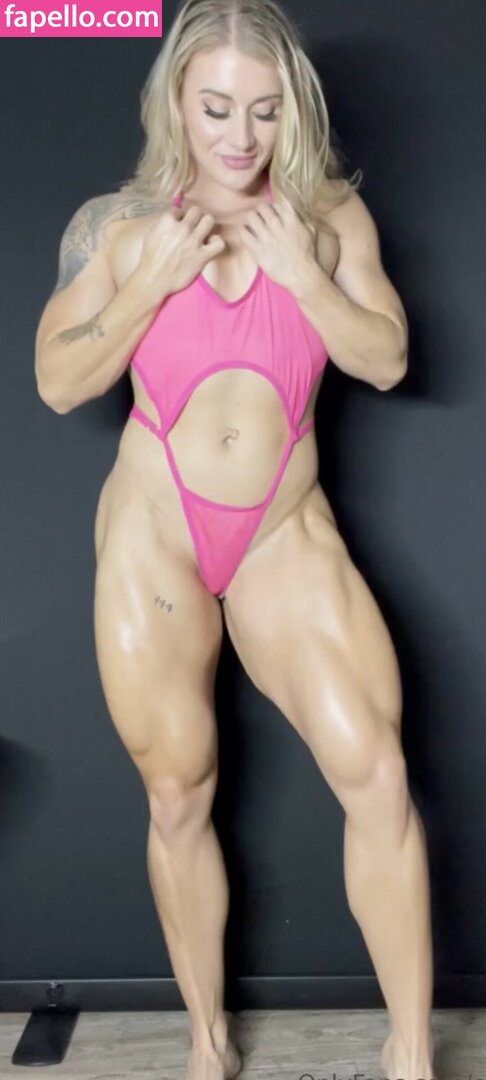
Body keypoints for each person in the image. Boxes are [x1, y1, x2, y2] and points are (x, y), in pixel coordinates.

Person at [34, 1, 435, 1078]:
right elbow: (57, 381)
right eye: (216, 110)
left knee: (379, 773)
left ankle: (410, 1057)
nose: (241, 136)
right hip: (157, 529)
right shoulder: (114, 225)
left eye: (263, 111)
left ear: (290, 109)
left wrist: (303, 276)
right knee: (179, 792)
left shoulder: (329, 217)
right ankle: (207, 1046)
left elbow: (389, 359)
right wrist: (149, 284)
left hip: (280, 532)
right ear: (177, 102)